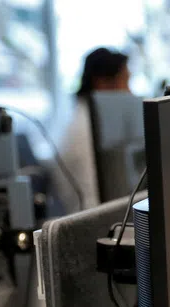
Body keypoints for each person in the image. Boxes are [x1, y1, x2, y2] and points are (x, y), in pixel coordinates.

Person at [54, 47, 131, 213]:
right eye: (125, 82)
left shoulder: (93, 120)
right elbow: (94, 203)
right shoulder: (85, 130)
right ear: (102, 83)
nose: (129, 92)